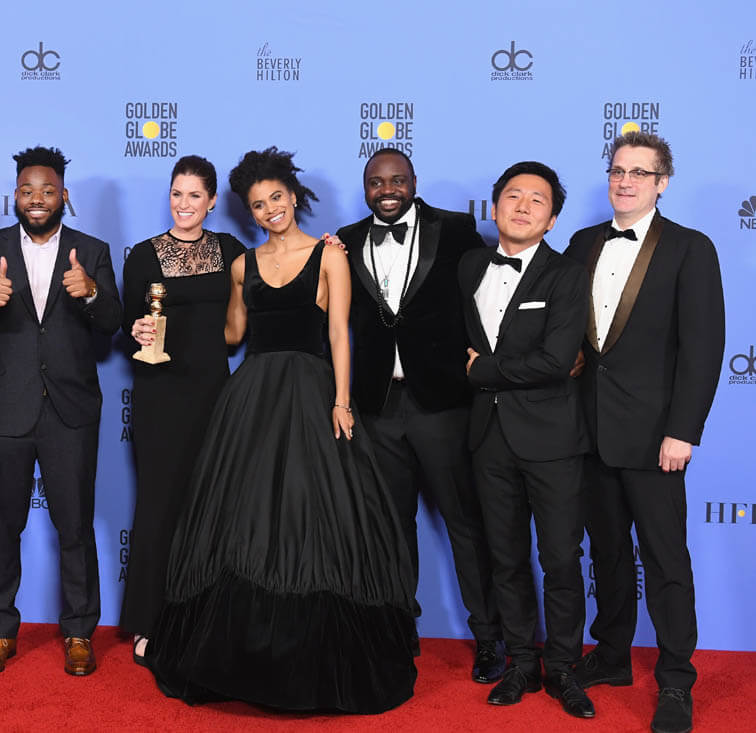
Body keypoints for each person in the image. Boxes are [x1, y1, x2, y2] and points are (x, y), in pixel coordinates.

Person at [147, 147, 416, 713]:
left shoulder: (330, 255)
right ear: (247, 212)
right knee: (244, 518)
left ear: (294, 197)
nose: (270, 209)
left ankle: (309, 649)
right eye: (257, 204)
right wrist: (163, 320)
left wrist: (341, 401)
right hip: (250, 399)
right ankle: (236, 652)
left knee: (310, 512)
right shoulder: (241, 265)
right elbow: (231, 335)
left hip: (312, 394)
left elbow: (340, 333)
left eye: (276, 197)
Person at [565, 131, 725, 733]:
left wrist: (683, 431)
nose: (624, 181)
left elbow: (703, 348)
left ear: (662, 183)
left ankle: (676, 679)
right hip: (589, 431)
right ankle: (611, 656)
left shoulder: (690, 248)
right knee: (606, 554)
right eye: (617, 170)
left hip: (657, 437)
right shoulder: (582, 242)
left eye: (639, 172)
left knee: (664, 560)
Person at [0, 146, 122, 678]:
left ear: (63, 195)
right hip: (4, 411)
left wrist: (91, 293)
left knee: (75, 528)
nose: (37, 199)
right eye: (27, 191)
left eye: (47, 190)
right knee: (1, 527)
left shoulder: (92, 251)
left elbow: (112, 321)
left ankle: (78, 633)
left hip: (71, 410)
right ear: (15, 196)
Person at [336, 148, 503, 682]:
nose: (387, 190)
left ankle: (489, 636)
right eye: (376, 181)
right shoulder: (346, 240)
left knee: (465, 524)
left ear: (413, 182)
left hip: (443, 404)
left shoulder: (455, 230)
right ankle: (398, 628)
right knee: (390, 527)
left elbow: (492, 296)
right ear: (365, 187)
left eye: (397, 180)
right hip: (378, 406)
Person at [459, 162, 594, 718]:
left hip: (551, 438)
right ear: (494, 208)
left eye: (537, 200)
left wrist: (483, 371)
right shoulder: (470, 265)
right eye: (512, 196)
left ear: (552, 219)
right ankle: (520, 662)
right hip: (487, 437)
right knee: (506, 557)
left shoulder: (566, 275)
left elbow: (557, 360)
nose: (522, 206)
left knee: (560, 558)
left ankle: (562, 667)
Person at [119, 155, 245, 664]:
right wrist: (135, 329)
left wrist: (326, 250)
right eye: (177, 193)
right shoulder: (143, 255)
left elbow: (272, 284)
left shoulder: (232, 251)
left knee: (212, 507)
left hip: (215, 393)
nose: (184, 203)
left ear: (211, 201)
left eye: (195, 195)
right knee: (158, 505)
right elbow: (126, 325)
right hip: (160, 394)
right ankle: (148, 621)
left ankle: (206, 618)